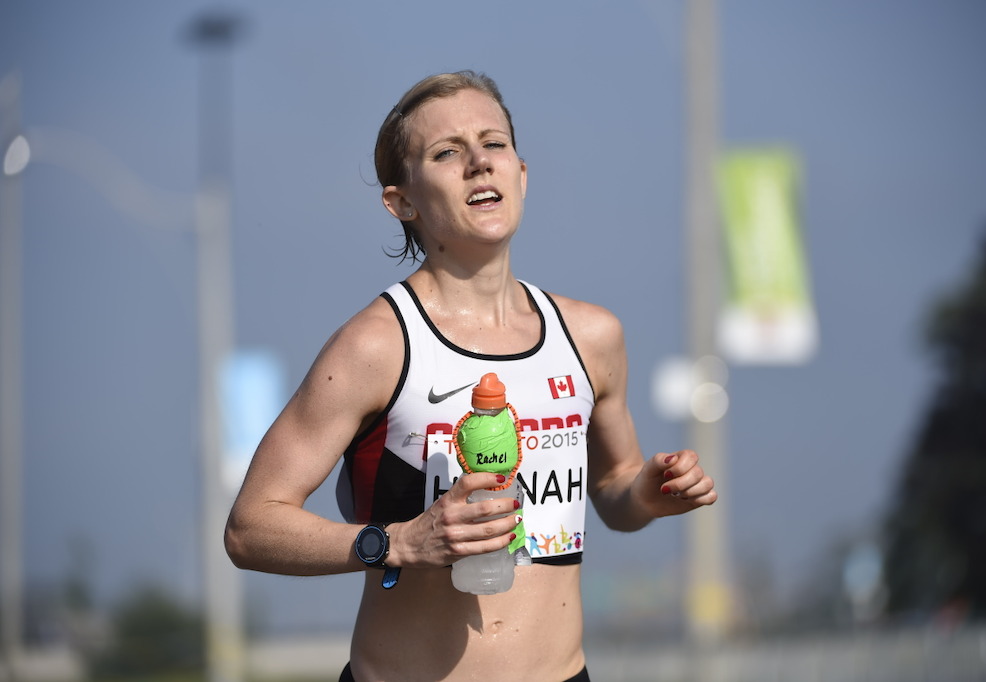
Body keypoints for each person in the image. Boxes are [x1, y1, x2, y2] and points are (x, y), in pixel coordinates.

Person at [225, 70, 717, 682]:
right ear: (402, 201)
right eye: (446, 152)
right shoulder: (375, 345)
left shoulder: (593, 337)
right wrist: (399, 543)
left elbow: (614, 490)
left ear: (521, 174)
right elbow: (250, 527)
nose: (479, 162)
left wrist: (647, 492)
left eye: (494, 143)